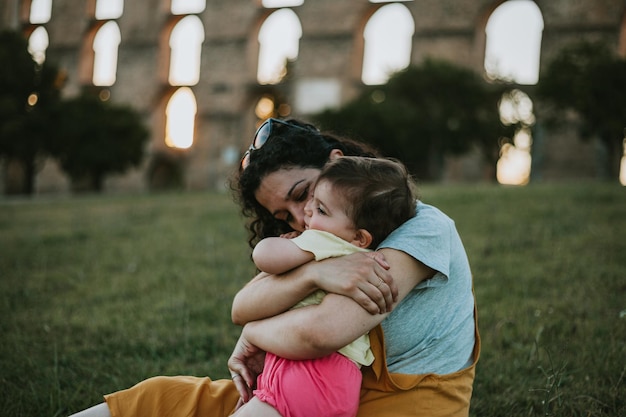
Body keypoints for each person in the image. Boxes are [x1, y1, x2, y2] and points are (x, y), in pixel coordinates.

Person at [70, 118, 480, 417]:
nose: (301, 219)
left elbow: (320, 331)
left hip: (393, 408)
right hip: (306, 396)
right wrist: (312, 274)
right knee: (158, 399)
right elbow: (242, 305)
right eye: (284, 216)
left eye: (303, 195)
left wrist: (254, 334)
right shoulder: (317, 244)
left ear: (336, 162)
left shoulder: (424, 228)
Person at [232, 156, 417, 417]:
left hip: (310, 374)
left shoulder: (326, 242)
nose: (305, 213)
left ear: (359, 237)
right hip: (337, 381)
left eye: (320, 209)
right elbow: (241, 308)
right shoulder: (359, 248)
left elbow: (264, 255)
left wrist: (292, 244)